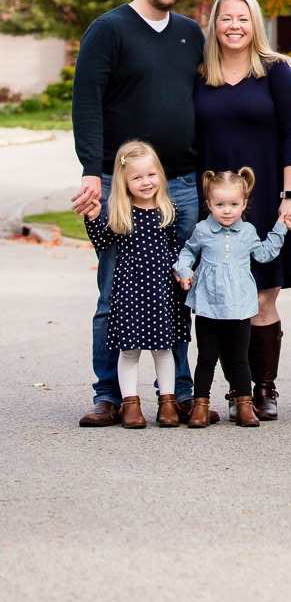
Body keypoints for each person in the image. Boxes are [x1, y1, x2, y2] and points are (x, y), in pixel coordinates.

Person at [72, 0, 205, 426]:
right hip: (119, 183)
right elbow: (86, 103)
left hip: (185, 184)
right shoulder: (108, 30)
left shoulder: (191, 33)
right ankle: (109, 395)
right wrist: (92, 170)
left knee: (181, 289)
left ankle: (180, 394)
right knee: (116, 290)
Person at [195, 0, 291, 421]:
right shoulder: (201, 73)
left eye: (243, 18)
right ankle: (231, 391)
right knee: (218, 299)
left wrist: (290, 197)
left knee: (260, 299)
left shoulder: (275, 72)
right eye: (226, 18)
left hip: (263, 206)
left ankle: (263, 389)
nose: (234, 26)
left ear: (254, 23)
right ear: (214, 24)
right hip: (215, 204)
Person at [83, 141, 190, 429]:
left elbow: (176, 250)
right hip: (130, 292)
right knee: (129, 351)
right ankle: (130, 404)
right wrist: (92, 218)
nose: (146, 182)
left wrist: (182, 272)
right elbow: (103, 243)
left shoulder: (170, 209)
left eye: (151, 175)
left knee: (164, 349)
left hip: (162, 293)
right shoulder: (121, 212)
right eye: (137, 177)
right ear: (124, 181)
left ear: (160, 175)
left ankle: (168, 403)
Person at [173, 168, 289, 428]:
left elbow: (264, 254)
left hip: (238, 307)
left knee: (239, 359)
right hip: (207, 306)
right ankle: (200, 407)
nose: (227, 210)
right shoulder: (203, 230)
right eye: (220, 204)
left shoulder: (247, 232)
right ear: (209, 205)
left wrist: (280, 227)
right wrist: (183, 271)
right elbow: (187, 252)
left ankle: (245, 405)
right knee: (206, 358)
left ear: (244, 204)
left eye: (234, 204)